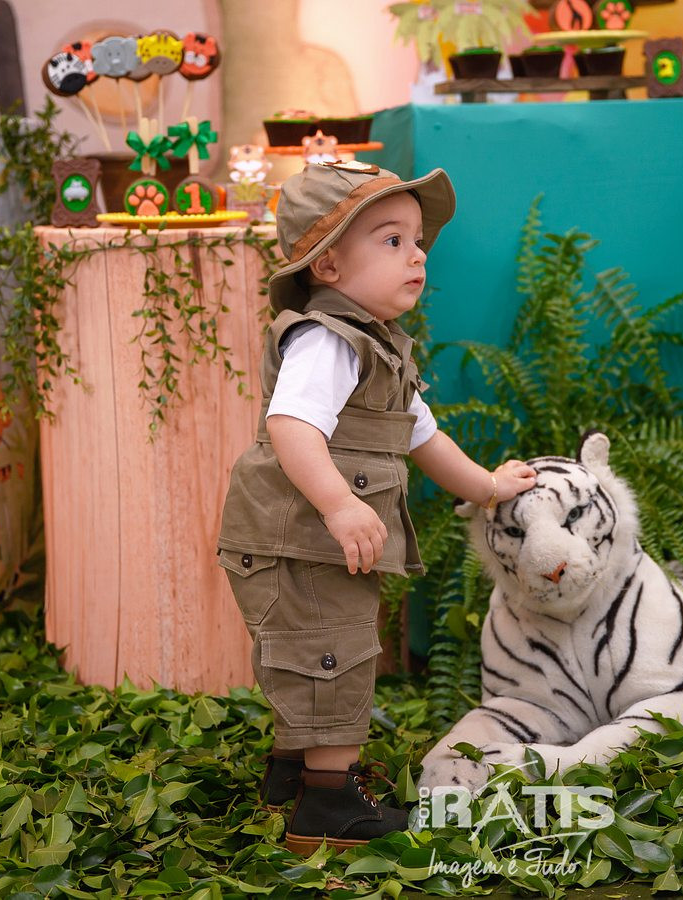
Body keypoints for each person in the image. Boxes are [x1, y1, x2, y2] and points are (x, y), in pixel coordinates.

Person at [217, 159, 536, 855]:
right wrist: (338, 504)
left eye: (417, 241)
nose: (416, 255)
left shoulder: (377, 348)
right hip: (299, 536)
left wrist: (486, 486)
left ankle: (293, 774)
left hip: (311, 541)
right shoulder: (325, 340)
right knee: (331, 654)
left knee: (316, 650)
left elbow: (424, 437)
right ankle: (327, 805)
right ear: (328, 265)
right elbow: (291, 427)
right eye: (392, 240)